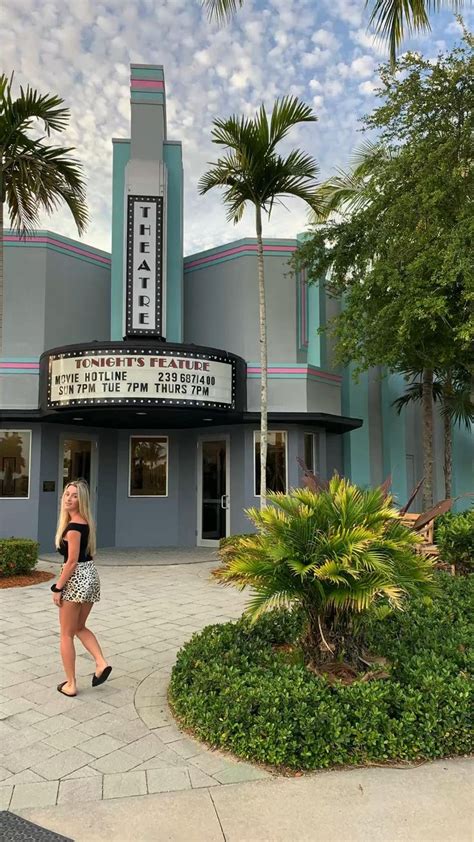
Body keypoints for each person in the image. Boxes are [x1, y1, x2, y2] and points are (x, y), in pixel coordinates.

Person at [51, 479, 111, 697]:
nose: (69, 498)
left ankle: (71, 683)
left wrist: (58, 588)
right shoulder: (86, 523)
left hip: (76, 579)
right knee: (79, 627)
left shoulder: (74, 528)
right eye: (67, 494)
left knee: (66, 634)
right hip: (91, 576)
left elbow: (72, 561)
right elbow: (89, 555)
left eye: (75, 495)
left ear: (81, 500)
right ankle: (101, 663)